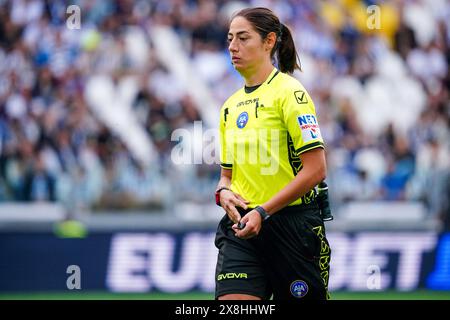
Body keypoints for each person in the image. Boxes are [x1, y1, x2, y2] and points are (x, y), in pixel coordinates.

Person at [214, 7, 331, 300]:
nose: (232, 46)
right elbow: (226, 177)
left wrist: (263, 211)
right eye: (230, 38)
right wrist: (223, 194)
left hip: (292, 228)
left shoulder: (290, 94)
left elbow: (316, 170)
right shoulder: (229, 107)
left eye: (243, 38)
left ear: (269, 42)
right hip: (242, 228)